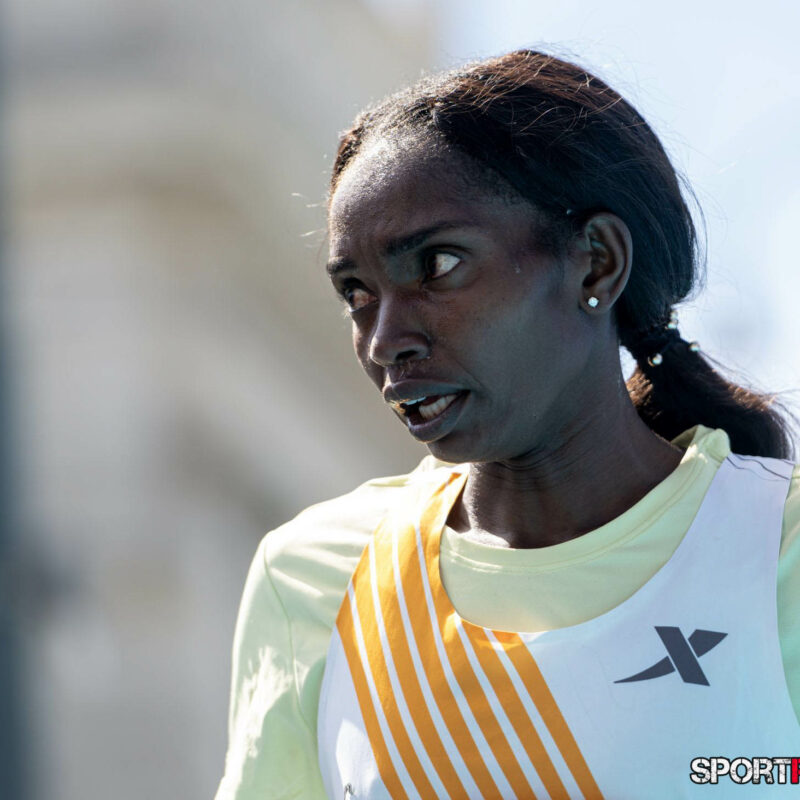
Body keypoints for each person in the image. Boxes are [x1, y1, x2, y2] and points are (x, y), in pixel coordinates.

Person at [215, 50, 800, 799]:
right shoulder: (310, 578)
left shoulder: (777, 545)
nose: (383, 340)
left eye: (437, 265)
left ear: (596, 263)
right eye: (357, 293)